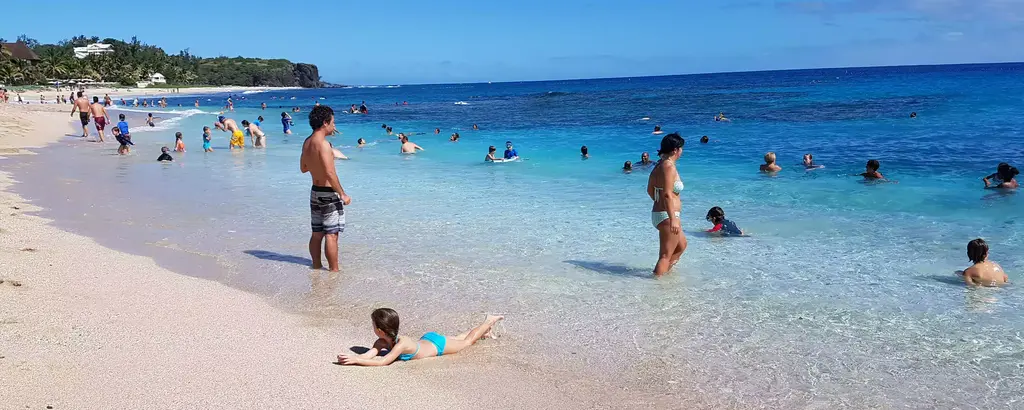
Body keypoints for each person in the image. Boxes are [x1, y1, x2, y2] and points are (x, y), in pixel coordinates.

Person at [337, 308, 503, 366]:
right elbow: (369, 355)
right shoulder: (380, 342)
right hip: (428, 339)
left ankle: (488, 321)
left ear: (380, 330)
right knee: (459, 338)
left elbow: (382, 362)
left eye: (373, 325)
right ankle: (485, 333)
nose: (372, 328)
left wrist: (357, 361)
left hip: (438, 346)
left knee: (467, 342)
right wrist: (354, 357)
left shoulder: (401, 344)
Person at [301, 106, 351, 272]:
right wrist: (342, 194)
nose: (334, 127)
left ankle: (316, 266)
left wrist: (316, 166)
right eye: (333, 122)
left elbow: (303, 168)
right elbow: (330, 173)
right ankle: (334, 271)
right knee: (331, 234)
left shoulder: (307, 142)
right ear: (325, 123)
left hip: (314, 191)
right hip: (328, 194)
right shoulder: (323, 144)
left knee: (317, 233)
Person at [647, 133, 687, 277]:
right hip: (668, 215)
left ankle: (665, 275)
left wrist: (659, 205)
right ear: (676, 150)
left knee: (681, 245)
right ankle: (656, 284)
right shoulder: (668, 166)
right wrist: (673, 218)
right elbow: (667, 194)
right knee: (665, 255)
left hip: (661, 214)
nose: (682, 151)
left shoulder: (659, 165)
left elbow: (650, 190)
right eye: (681, 148)